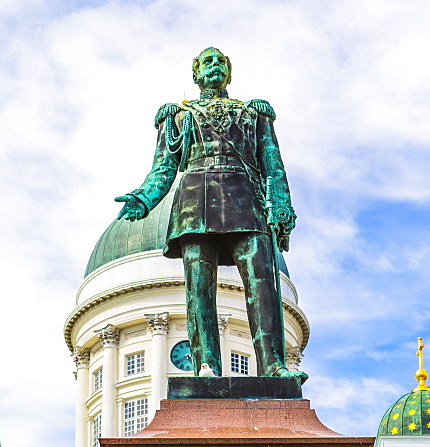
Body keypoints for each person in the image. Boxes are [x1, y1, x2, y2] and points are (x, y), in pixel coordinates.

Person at [115, 47, 304, 383]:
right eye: (207, 62)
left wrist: (281, 208)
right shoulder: (178, 117)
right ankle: (207, 365)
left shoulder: (253, 114)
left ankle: (273, 364)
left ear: (228, 73)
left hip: (246, 201)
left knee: (262, 287)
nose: (214, 66)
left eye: (220, 62)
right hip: (195, 203)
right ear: (196, 74)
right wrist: (143, 199)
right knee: (199, 290)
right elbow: (164, 169)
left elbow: (273, 166)